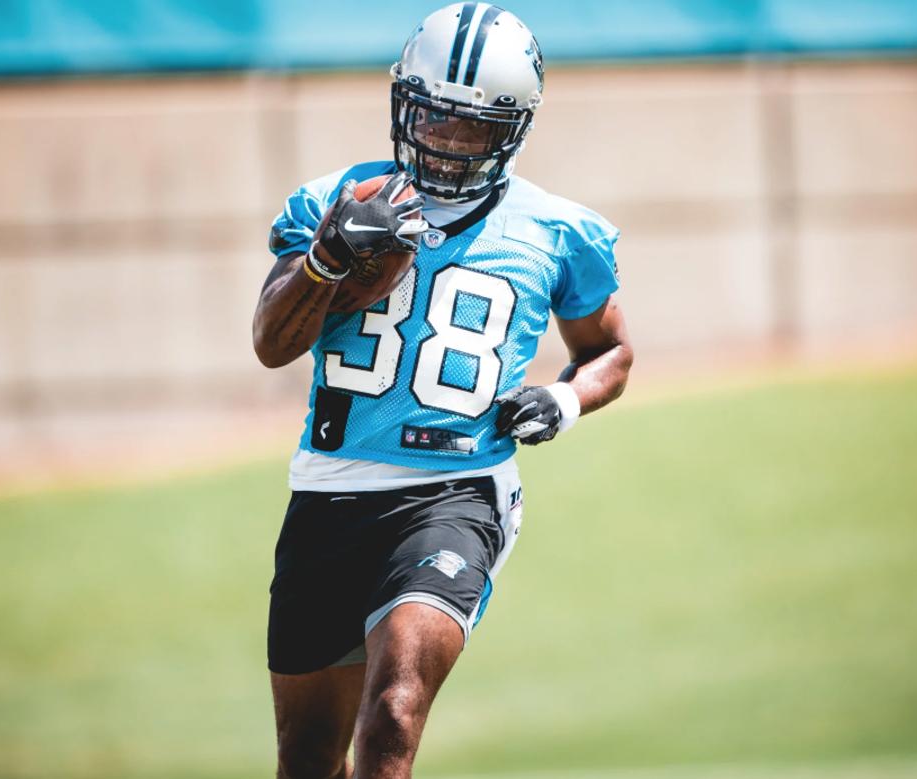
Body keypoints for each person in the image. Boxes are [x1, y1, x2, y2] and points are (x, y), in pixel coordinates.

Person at [252, 3, 633, 776]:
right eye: (434, 114)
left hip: (456, 491)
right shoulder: (336, 198)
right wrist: (327, 258)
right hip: (328, 488)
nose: (449, 138)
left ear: (513, 130)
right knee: (307, 756)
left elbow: (611, 350)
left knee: (394, 710)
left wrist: (565, 399)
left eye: (473, 124)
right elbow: (271, 343)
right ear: (404, 103)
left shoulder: (557, 230)